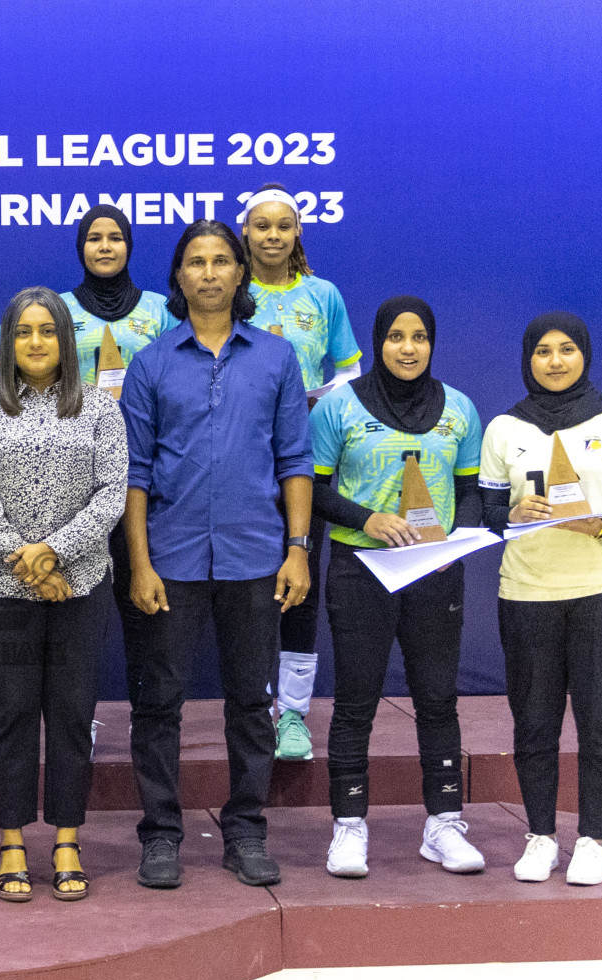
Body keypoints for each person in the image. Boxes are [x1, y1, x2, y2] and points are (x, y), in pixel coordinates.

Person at [120, 220, 312, 890]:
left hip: (257, 556)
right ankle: (162, 835)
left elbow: (296, 460)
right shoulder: (151, 363)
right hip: (169, 560)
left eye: (221, 261)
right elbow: (134, 472)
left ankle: (246, 830)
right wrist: (139, 564)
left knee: (250, 702)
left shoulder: (276, 358)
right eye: (195, 262)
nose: (208, 273)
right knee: (159, 702)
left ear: (240, 274)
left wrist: (297, 550)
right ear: (177, 277)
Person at [481, 312, 602, 886]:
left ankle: (593, 838)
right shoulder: (504, 428)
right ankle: (540, 837)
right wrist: (510, 514)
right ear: (527, 358)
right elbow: (485, 513)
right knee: (533, 723)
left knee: (600, 722)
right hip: (527, 593)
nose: (554, 361)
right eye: (542, 351)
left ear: (584, 354)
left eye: (566, 349)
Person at [310, 296, 486, 878]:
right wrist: (367, 520)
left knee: (437, 698)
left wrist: (451, 541)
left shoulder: (460, 408)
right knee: (356, 700)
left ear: (432, 343)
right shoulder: (339, 407)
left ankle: (443, 825)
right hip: (360, 568)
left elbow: (475, 494)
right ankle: (349, 827)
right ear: (379, 341)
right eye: (395, 337)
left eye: (419, 337)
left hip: (435, 572)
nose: (407, 348)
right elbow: (310, 490)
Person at [0, 286, 126, 902]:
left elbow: (111, 494)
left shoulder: (100, 410)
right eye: (24, 332)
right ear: (9, 343)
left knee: (70, 714)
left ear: (66, 339)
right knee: (9, 715)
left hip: (79, 585)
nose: (36, 342)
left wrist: (54, 553)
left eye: (48, 331)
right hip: (3, 586)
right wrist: (31, 565)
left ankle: (65, 838)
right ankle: (10, 840)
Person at [240, 186, 363, 762]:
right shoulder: (228, 291)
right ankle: (249, 703)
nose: (271, 235)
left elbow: (350, 372)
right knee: (245, 587)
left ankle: (292, 715)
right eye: (261, 226)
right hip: (238, 461)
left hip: (305, 466)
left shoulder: (325, 294)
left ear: (297, 234)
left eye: (282, 226)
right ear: (245, 233)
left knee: (299, 584)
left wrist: (318, 400)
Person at [60, 204, 178, 723]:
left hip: (149, 478)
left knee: (144, 602)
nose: (105, 246)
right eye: (94, 238)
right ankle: (76, 719)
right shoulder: (59, 310)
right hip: (76, 480)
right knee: (79, 612)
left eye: (115, 237)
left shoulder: (160, 308)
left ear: (129, 245)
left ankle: (148, 718)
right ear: (80, 247)